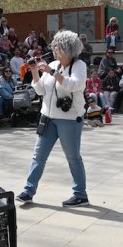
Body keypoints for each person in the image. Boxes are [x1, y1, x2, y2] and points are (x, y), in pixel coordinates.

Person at [15, 31, 89, 207]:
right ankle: (28, 191)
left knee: (73, 157)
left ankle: (80, 195)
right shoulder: (53, 64)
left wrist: (52, 71)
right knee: (38, 156)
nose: (54, 49)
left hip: (69, 119)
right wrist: (34, 72)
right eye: (54, 46)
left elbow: (75, 85)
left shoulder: (79, 65)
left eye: (58, 46)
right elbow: (40, 91)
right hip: (47, 117)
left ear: (68, 49)